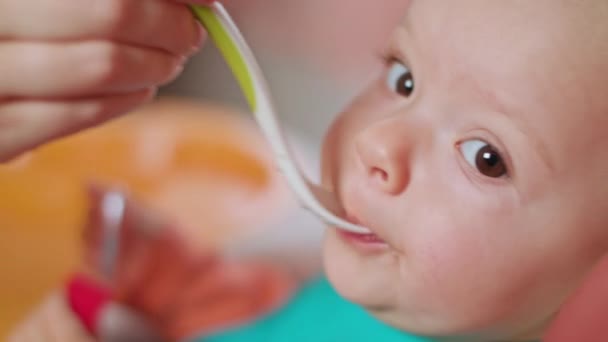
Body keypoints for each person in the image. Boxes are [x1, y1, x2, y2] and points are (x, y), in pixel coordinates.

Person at [6, 0, 608, 341]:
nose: (377, 141)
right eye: (403, 78)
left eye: (486, 158)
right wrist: (189, 295)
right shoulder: (398, 291)